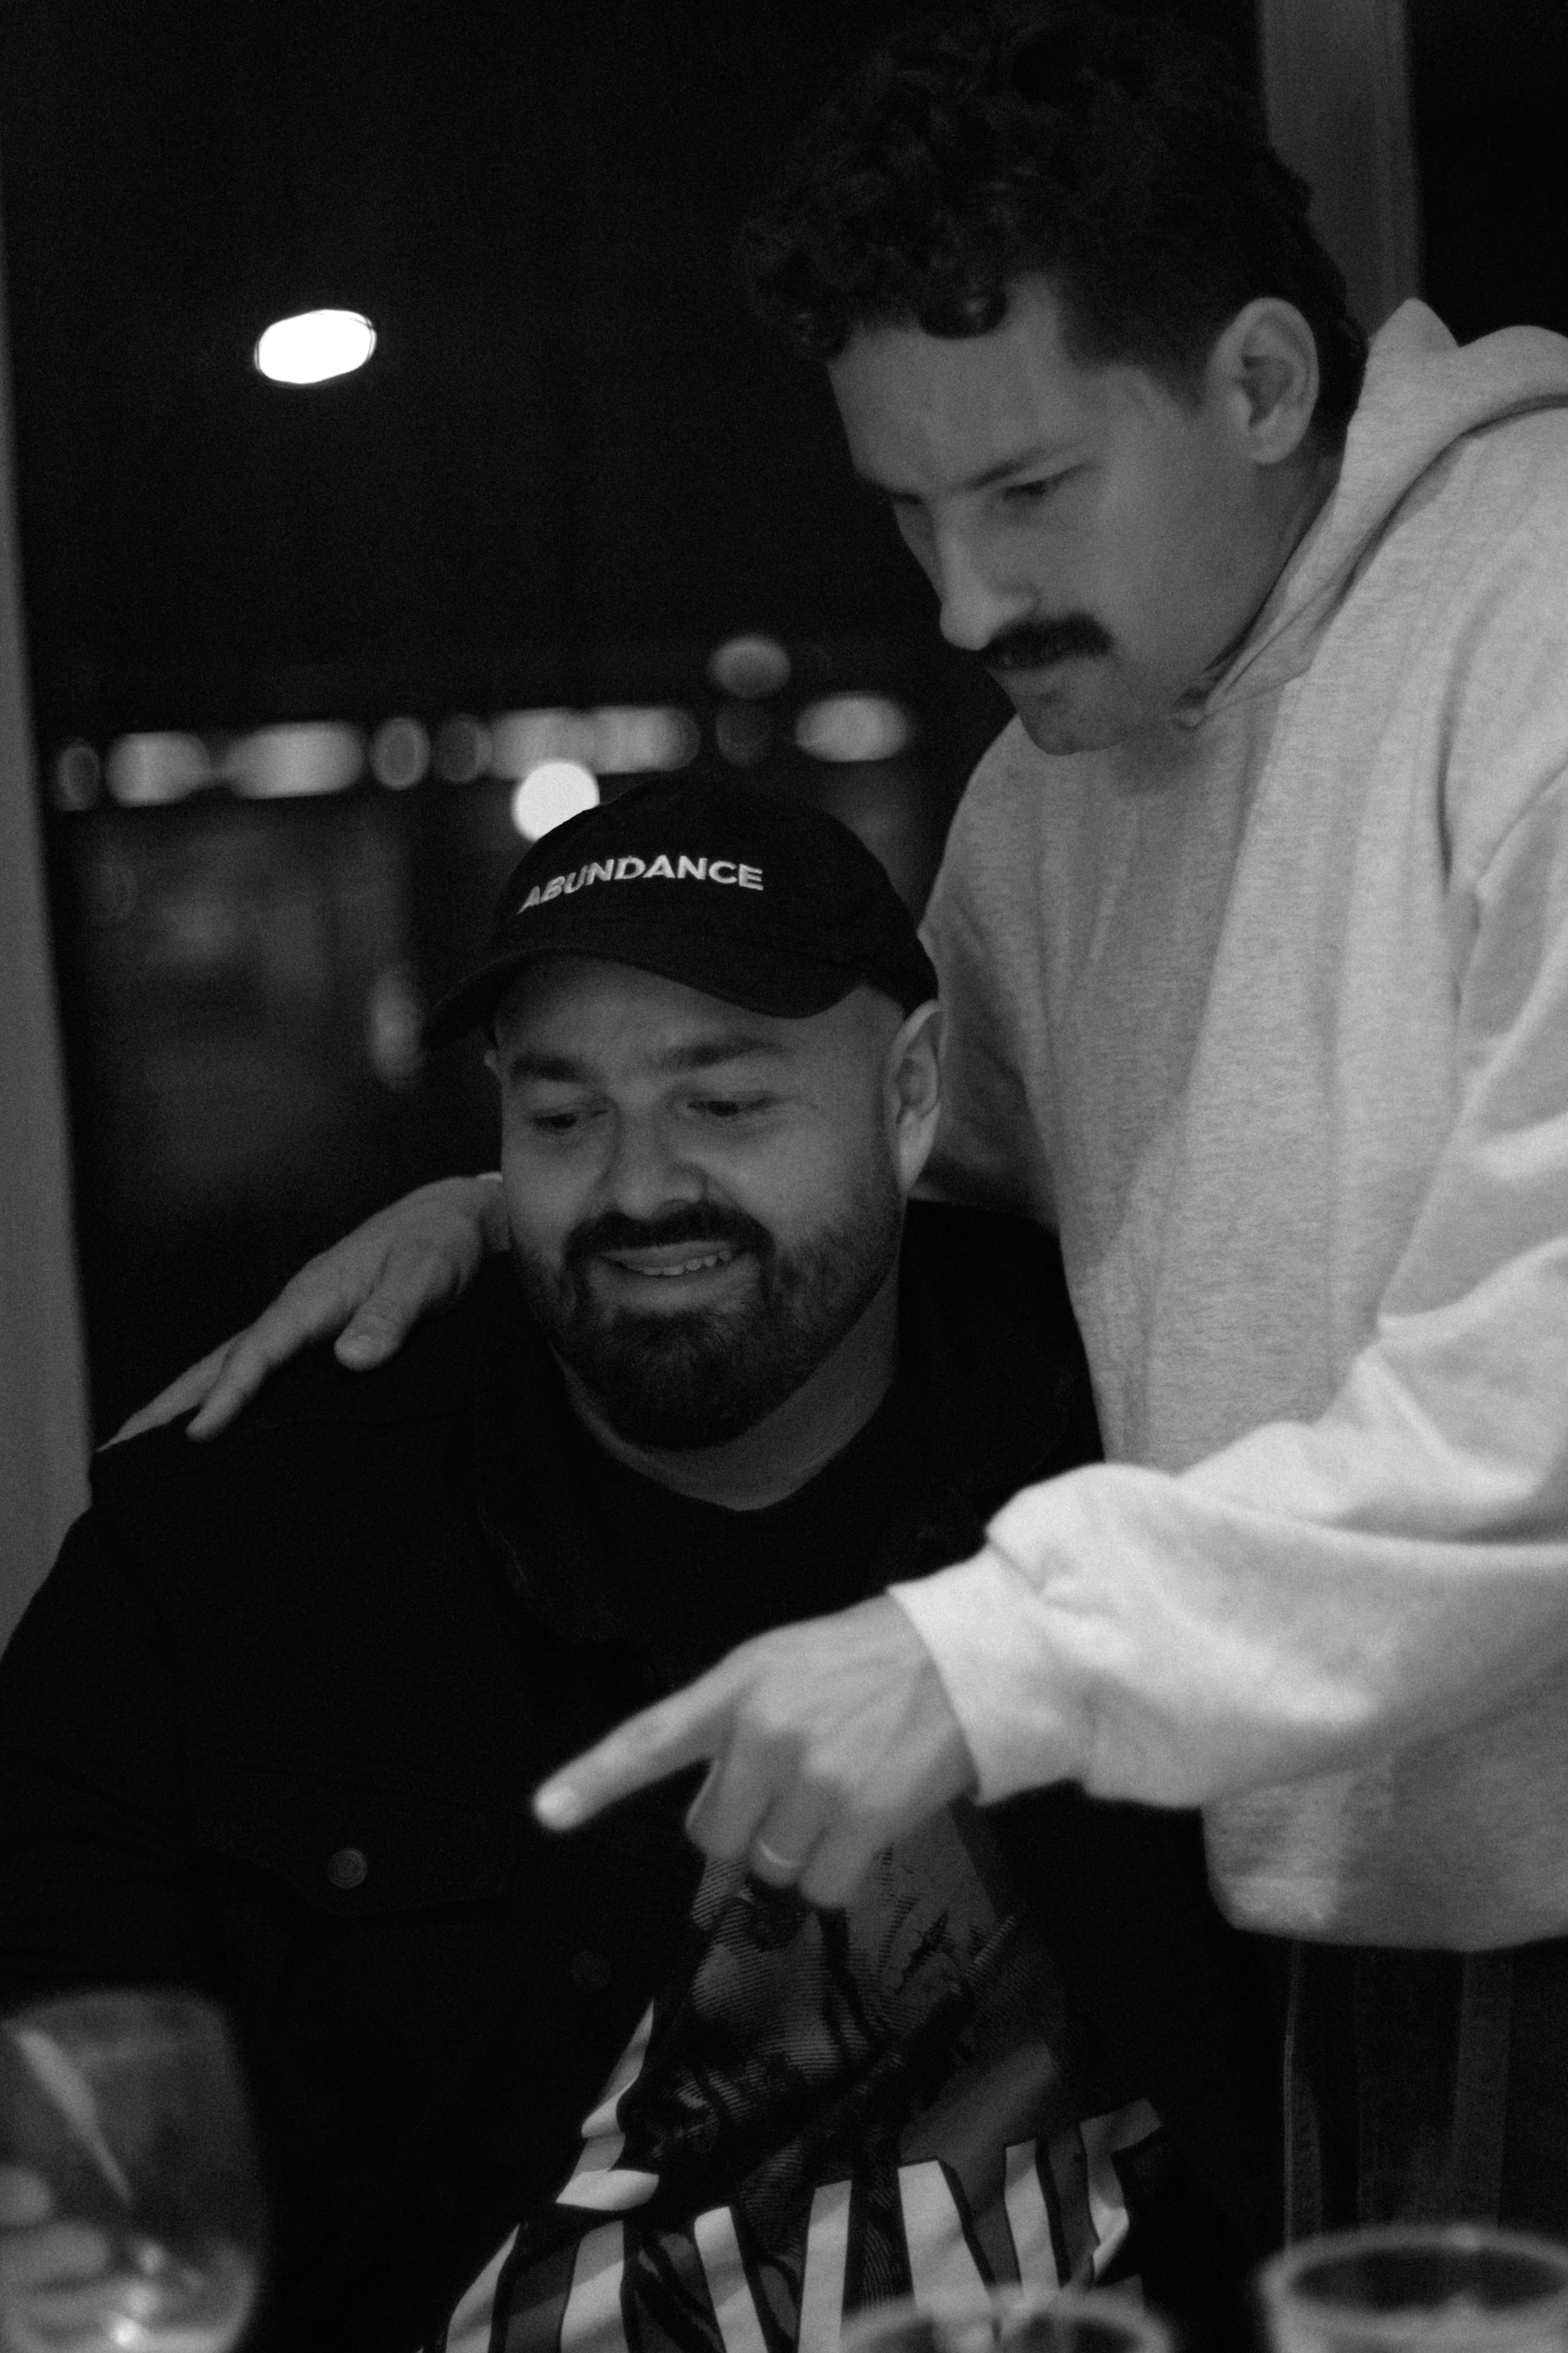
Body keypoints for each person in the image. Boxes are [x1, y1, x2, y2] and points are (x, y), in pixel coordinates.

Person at [126, 6, 1568, 2235]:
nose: (963, 600)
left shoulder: (1534, 621)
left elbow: (1540, 1396)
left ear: (1264, 385)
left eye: (1025, 490)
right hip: (1373, 1928)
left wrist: (982, 1652)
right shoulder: (1060, 788)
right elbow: (889, 1157)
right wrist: (514, 1201)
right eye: (908, 510)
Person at [1, 778, 1278, 2353]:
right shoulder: (232, 1554)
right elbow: (69, 2153)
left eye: (723, 1104)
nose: (638, 1186)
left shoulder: (1131, 1418)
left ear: (911, 1097)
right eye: (561, 1118)